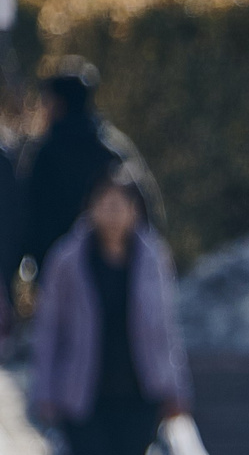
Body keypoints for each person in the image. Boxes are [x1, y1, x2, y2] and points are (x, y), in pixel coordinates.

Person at [30, 170, 189, 455]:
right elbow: (49, 333)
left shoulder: (152, 257)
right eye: (106, 202)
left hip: (139, 396)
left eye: (123, 203)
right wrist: (45, 393)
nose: (114, 212)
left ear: (137, 210)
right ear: (91, 207)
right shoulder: (68, 259)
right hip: (84, 397)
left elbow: (167, 330)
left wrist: (177, 388)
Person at [18, 60, 158, 287]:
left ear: (58, 104)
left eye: (46, 102)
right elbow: (145, 213)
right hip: (114, 274)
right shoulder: (113, 148)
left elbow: (27, 218)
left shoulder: (43, 154)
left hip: (54, 274)